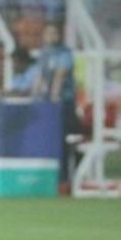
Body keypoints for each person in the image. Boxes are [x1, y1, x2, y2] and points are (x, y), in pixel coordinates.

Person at [31, 21, 79, 188]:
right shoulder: (44, 53)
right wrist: (34, 97)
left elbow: (60, 75)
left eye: (54, 33)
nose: (51, 36)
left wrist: (54, 98)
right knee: (46, 139)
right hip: (48, 106)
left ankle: (63, 178)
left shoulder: (64, 53)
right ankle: (45, 174)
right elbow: (40, 76)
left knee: (61, 140)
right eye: (48, 33)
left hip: (64, 104)